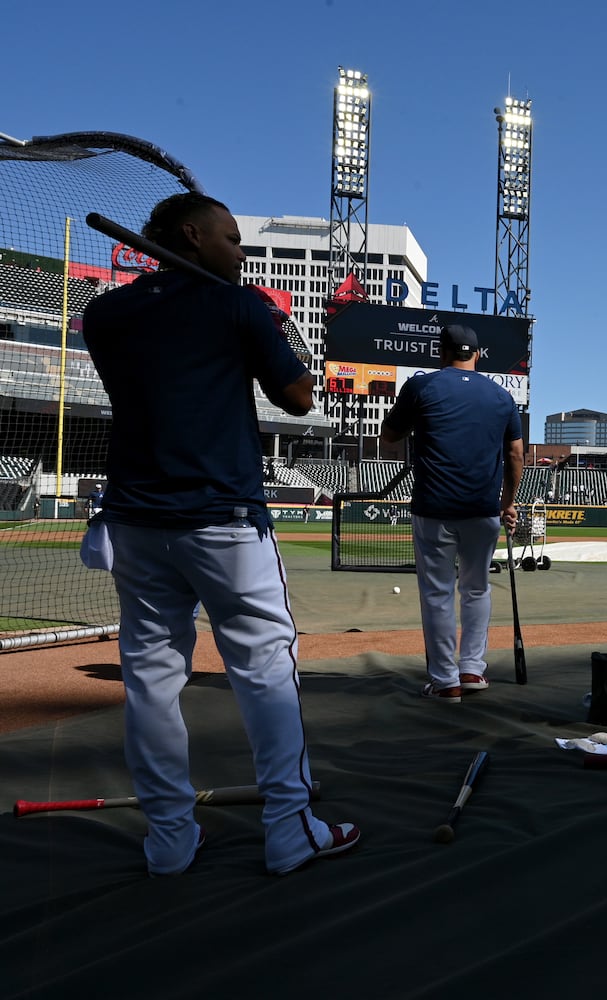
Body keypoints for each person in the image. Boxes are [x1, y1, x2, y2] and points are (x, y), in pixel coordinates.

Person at [81, 191, 359, 876]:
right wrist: (268, 323)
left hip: (135, 524)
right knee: (265, 672)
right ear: (191, 236)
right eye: (232, 240)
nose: (242, 252)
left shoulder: (105, 311)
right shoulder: (237, 306)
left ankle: (169, 842)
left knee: (150, 679)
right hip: (224, 520)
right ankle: (291, 829)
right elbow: (298, 396)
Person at [380, 324, 523, 702]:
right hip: (482, 509)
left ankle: (446, 681)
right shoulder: (502, 396)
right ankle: (472, 669)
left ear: (442, 353)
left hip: (434, 507)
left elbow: (388, 436)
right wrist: (507, 502)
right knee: (476, 589)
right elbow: (515, 455)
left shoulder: (421, 386)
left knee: (438, 593)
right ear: (478, 355)